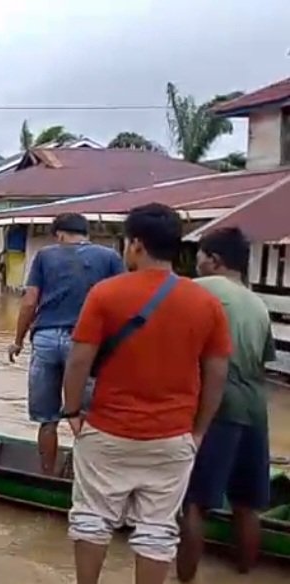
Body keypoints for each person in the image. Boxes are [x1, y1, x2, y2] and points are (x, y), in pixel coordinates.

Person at [60, 203, 231, 584]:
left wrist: (72, 411)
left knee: (92, 519)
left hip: (107, 430)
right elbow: (217, 372)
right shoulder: (205, 303)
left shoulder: (105, 294)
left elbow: (78, 361)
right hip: (172, 436)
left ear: (136, 244)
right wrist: (198, 431)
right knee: (157, 530)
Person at [177, 227, 277, 582]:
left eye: (200, 255)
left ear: (213, 260)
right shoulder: (258, 304)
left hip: (215, 407)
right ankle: (244, 572)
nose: (197, 262)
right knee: (247, 503)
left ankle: (184, 577)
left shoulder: (193, 290)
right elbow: (263, 363)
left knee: (195, 501)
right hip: (255, 408)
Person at [7, 212, 124, 475]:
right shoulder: (109, 258)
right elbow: (121, 302)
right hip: (85, 342)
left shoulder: (45, 256)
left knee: (47, 419)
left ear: (59, 234)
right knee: (84, 415)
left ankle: (46, 474)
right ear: (86, 233)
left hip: (45, 339)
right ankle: (86, 475)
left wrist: (17, 341)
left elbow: (29, 301)